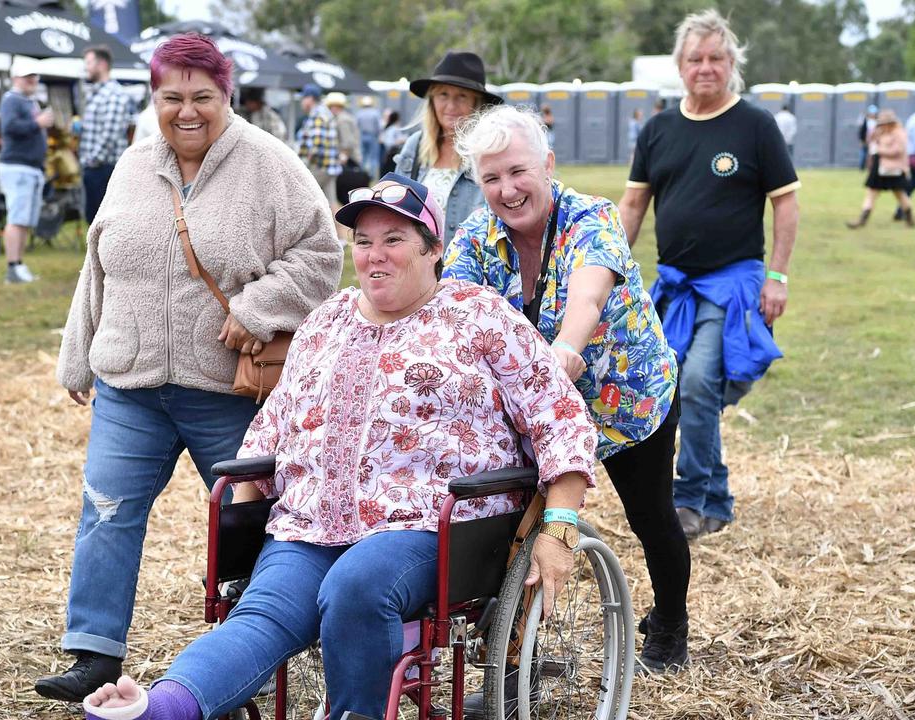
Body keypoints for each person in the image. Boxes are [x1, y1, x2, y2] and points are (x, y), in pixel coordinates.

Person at [80, 173, 597, 720]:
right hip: (309, 522)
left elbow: (559, 418)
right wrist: (244, 523)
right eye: (364, 241)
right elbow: (272, 430)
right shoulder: (326, 321)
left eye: (395, 240)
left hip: (431, 527)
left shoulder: (480, 316)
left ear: (435, 248)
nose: (375, 256)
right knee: (264, 612)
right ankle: (161, 705)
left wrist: (559, 525)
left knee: (357, 586)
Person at [36, 33, 344, 703]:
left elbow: (321, 258)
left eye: (202, 97)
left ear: (225, 97)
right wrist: (78, 356)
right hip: (130, 384)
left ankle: (263, 639)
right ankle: (92, 651)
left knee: (251, 525)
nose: (187, 112)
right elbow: (99, 264)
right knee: (107, 513)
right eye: (171, 98)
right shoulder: (130, 167)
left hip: (225, 389)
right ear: (154, 99)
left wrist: (258, 305)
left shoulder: (270, 165)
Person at [445, 104, 689, 676]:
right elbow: (452, 316)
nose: (506, 189)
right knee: (513, 519)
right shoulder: (475, 238)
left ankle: (671, 628)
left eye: (518, 171)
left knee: (650, 515)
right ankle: (516, 642)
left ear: (548, 164)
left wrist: (565, 352)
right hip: (536, 410)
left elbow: (587, 297)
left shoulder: (591, 218)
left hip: (623, 401)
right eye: (491, 178)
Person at [620, 9, 798, 540]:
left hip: (733, 282)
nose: (705, 67)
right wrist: (608, 270)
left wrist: (779, 278)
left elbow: (785, 207)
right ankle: (713, 493)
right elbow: (633, 205)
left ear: (732, 64)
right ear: (679, 65)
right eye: (695, 58)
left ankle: (692, 498)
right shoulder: (658, 129)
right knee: (670, 388)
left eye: (716, 58)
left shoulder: (756, 126)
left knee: (698, 381)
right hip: (674, 285)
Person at [395, 50, 503, 242]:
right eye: (443, 95)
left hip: (470, 266)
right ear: (432, 101)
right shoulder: (415, 146)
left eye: (462, 96)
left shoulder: (490, 151)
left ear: (476, 103)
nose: (451, 106)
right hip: (419, 266)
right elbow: (394, 208)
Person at [0, 57, 54, 283]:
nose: (33, 80)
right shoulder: (12, 100)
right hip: (18, 166)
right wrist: (37, 124)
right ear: (15, 78)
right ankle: (13, 266)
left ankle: (18, 264)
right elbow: (9, 128)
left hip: (29, 167)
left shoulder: (27, 101)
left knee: (24, 219)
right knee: (17, 217)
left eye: (34, 76)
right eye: (27, 76)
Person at [80, 45, 136, 224]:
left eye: (89, 62)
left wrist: (92, 161)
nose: (86, 67)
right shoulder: (98, 93)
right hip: (96, 167)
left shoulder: (113, 94)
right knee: (93, 219)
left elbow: (110, 133)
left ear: (102, 64)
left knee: (103, 221)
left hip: (104, 168)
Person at [847, 110, 914, 228]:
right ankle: (862, 220)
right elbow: (870, 143)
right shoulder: (880, 132)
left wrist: (880, 150)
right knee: (871, 193)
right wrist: (874, 136)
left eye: (884, 123)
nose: (882, 126)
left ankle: (909, 219)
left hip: (894, 169)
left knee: (900, 194)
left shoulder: (899, 133)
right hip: (879, 168)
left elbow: (898, 150)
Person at [296, 83, 340, 209]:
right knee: (331, 202)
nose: (301, 102)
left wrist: (304, 166)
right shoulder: (323, 112)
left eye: (303, 98)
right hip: (328, 166)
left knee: (303, 197)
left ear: (310, 99)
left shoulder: (317, 115)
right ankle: (337, 228)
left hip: (319, 166)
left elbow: (316, 145)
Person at [326, 92, 362, 169]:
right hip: (349, 157)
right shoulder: (342, 117)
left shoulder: (342, 120)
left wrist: (343, 156)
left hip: (349, 159)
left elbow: (347, 142)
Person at [355, 94, 383, 178]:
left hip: (362, 136)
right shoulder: (375, 112)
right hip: (373, 136)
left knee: (363, 156)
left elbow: (356, 125)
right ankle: (372, 176)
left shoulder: (359, 113)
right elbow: (379, 126)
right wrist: (379, 135)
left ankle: (362, 174)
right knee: (373, 157)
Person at [379, 109, 405, 175]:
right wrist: (400, 141)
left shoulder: (389, 128)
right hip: (392, 154)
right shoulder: (393, 129)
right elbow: (389, 142)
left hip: (389, 154)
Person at [857, 104, 877, 171]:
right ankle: (861, 167)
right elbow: (861, 131)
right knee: (863, 154)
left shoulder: (876, 121)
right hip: (865, 140)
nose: (873, 114)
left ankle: (871, 167)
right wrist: (861, 140)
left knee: (872, 154)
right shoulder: (865, 120)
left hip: (873, 140)